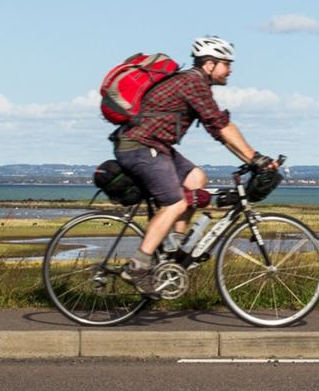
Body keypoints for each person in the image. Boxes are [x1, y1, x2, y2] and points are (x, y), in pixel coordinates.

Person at [115, 36, 274, 291]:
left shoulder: (194, 83)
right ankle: (138, 265)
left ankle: (173, 248)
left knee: (196, 179)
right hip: (140, 146)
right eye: (226, 63)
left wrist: (251, 159)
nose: (230, 69)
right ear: (210, 64)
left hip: (157, 147)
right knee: (175, 202)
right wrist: (256, 159)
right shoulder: (193, 83)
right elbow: (221, 125)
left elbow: (217, 131)